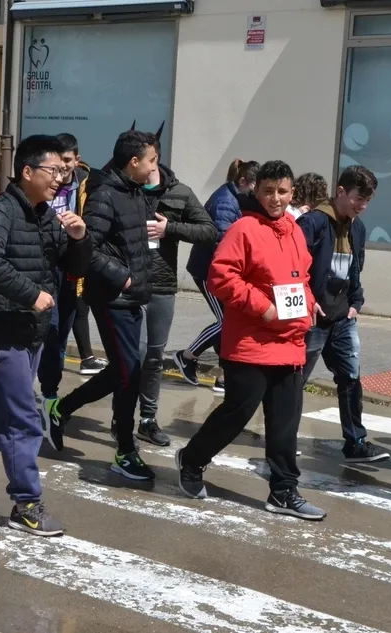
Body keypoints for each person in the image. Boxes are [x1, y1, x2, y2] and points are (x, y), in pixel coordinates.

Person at [0, 135, 90, 536]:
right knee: (22, 416)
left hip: (31, 332)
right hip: (3, 329)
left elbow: (74, 266)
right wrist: (29, 294)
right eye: (53, 170)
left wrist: (80, 238)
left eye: (64, 171)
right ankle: (26, 504)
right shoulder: (1, 211)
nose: (61, 177)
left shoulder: (46, 214)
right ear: (27, 172)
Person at [175, 160, 326, 521]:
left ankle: (284, 491)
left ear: (292, 193)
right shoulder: (243, 228)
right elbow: (221, 278)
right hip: (250, 341)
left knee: (285, 422)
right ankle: (192, 460)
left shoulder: (294, 230)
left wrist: (308, 304)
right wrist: (264, 308)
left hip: (290, 341)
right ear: (256, 191)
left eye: (282, 191)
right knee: (237, 412)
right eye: (268, 191)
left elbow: (301, 277)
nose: (275, 198)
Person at [44, 130, 158, 479]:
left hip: (132, 295)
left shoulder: (134, 191)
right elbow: (86, 247)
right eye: (152, 160)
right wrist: (122, 277)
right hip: (112, 296)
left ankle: (63, 409)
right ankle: (124, 450)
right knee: (128, 374)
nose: (156, 167)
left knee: (126, 372)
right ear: (134, 162)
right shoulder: (104, 194)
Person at [297, 166, 390, 463]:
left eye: (367, 201)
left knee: (350, 379)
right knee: (294, 381)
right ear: (340, 192)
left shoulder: (357, 228)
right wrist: (307, 300)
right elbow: (292, 268)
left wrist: (356, 302)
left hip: (342, 318)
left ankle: (355, 442)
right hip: (312, 318)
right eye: (358, 199)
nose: (362, 207)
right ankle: (281, 439)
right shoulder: (312, 223)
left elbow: (355, 269)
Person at [135, 144, 215, 446]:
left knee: (154, 358)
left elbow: (208, 231)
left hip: (162, 286)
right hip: (128, 286)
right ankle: (121, 416)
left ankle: (147, 420)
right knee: (135, 355)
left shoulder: (179, 192)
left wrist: (170, 228)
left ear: (154, 160)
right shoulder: (124, 189)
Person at [37, 133, 107, 416]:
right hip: (44, 268)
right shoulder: (44, 183)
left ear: (77, 160)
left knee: (61, 333)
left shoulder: (91, 185)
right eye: (58, 161)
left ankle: (49, 391)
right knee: (49, 332)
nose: (63, 167)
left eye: (67, 160)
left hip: (72, 270)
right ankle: (44, 392)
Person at [176, 159, 260, 394]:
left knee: (230, 322)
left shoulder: (235, 198)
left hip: (220, 272)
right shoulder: (225, 202)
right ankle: (187, 356)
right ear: (243, 181)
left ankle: (223, 377)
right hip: (209, 272)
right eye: (255, 187)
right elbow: (223, 241)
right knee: (226, 323)